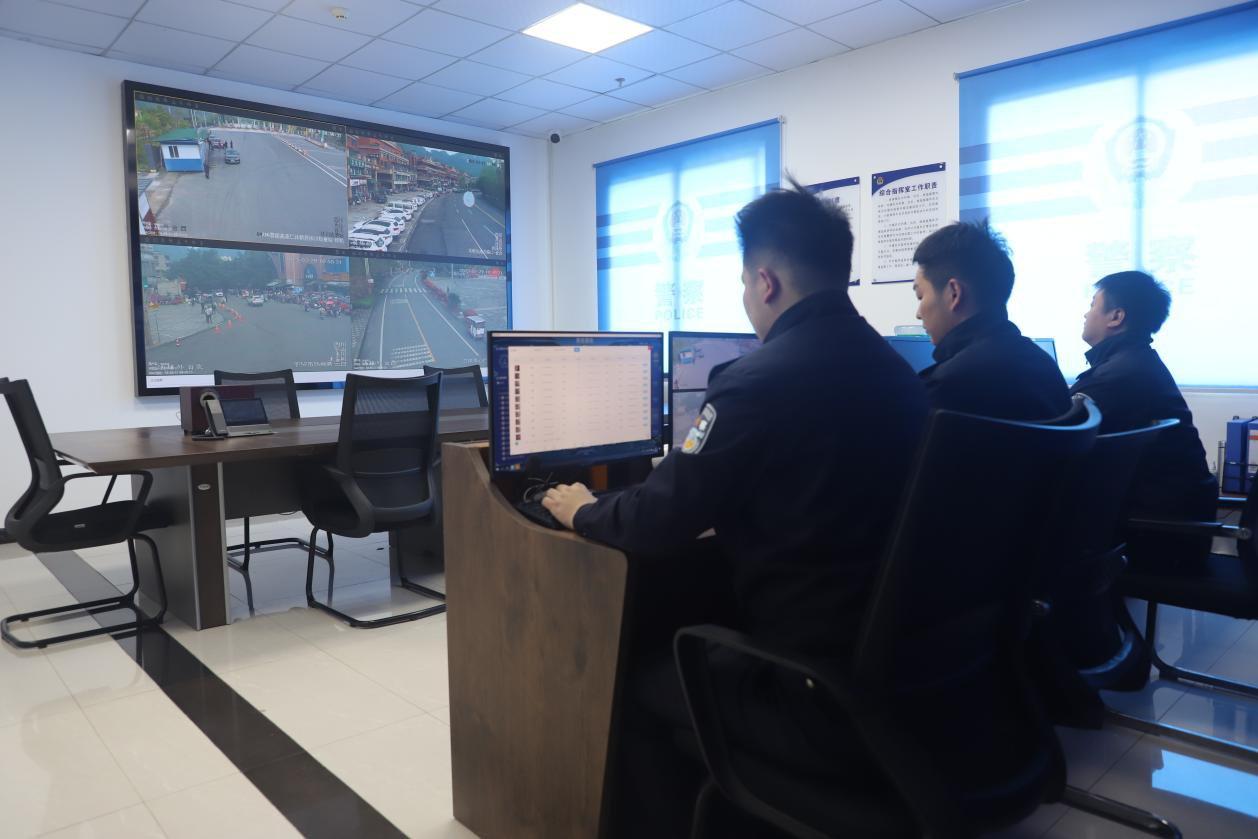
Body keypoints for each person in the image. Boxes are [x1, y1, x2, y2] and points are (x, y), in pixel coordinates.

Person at [542, 183, 928, 837]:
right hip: (898, 671)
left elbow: (657, 521)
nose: (747, 297)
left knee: (628, 678)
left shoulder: (757, 381)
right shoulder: (899, 374)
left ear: (766, 281)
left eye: (746, 283)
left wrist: (582, 510)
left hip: (813, 689)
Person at [1072, 271, 1217, 571]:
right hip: (1173, 531)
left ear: (1116, 316)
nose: (1086, 313)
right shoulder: (1137, 362)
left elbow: (1056, 433)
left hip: (1156, 537)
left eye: (1092, 304)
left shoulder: (1117, 376)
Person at [911, 220, 1070, 420]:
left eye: (920, 296)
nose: (918, 313)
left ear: (954, 293)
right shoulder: (1045, 366)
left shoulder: (945, 386)